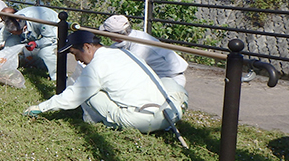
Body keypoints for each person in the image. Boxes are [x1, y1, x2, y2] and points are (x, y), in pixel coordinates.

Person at [23, 30, 189, 134]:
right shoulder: (124, 53)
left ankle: (99, 123)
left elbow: (72, 96)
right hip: (168, 114)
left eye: (75, 54)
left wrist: (40, 108)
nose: (77, 60)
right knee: (167, 81)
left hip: (142, 121)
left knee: (89, 94)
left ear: (87, 47)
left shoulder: (96, 67)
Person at [0, 6, 59, 82]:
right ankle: (6, 68)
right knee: (11, 41)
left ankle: (56, 77)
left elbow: (51, 38)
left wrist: (36, 43)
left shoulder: (40, 21)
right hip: (31, 29)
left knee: (45, 52)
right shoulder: (11, 21)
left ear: (24, 28)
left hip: (53, 27)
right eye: (10, 31)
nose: (11, 33)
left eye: (13, 32)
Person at [100, 15, 189, 87]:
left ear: (115, 36)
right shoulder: (132, 36)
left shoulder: (139, 47)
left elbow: (131, 71)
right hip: (156, 75)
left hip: (170, 78)